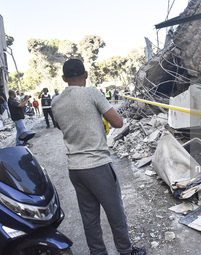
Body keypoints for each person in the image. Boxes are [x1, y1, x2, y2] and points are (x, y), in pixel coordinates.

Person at [52, 59, 146, 255]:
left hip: (75, 168)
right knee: (115, 214)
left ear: (63, 78)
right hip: (98, 165)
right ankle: (126, 251)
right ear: (85, 74)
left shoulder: (56, 102)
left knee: (89, 218)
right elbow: (118, 122)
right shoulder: (92, 92)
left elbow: (60, 126)